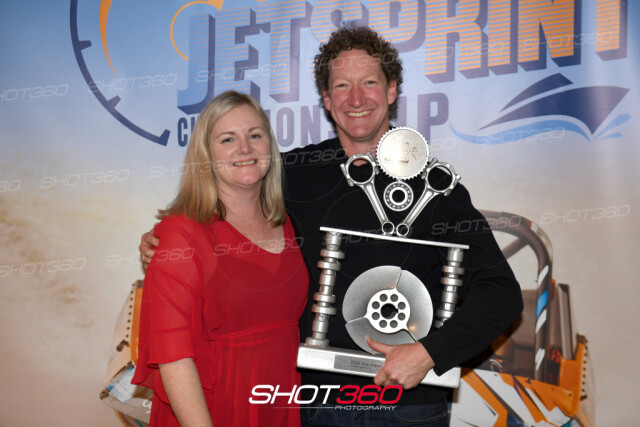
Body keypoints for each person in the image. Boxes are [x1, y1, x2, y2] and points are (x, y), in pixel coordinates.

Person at [140, 27, 523, 426]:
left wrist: (429, 353)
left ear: (392, 90)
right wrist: (164, 242)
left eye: (369, 82)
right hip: (316, 404)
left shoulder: (436, 186)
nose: (356, 99)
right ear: (326, 99)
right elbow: (225, 205)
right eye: (342, 86)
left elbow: (501, 294)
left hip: (408, 406)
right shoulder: (292, 175)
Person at [132, 90, 308, 426]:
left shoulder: (289, 220)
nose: (245, 148)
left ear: (269, 146)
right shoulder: (181, 233)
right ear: (206, 155)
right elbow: (173, 357)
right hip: (213, 409)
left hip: (280, 400)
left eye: (255, 135)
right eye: (228, 139)